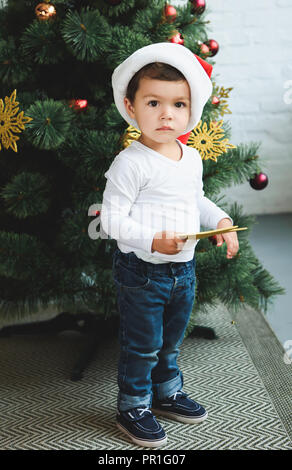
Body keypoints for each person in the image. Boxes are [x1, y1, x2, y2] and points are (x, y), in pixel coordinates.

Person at [100, 42, 239, 448]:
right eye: (154, 102)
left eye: (178, 104)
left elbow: (195, 200)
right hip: (142, 273)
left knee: (171, 340)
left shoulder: (190, 157)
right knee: (142, 344)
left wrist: (222, 222)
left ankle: (166, 392)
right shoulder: (131, 163)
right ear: (131, 106)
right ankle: (133, 405)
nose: (166, 114)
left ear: (190, 110)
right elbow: (111, 220)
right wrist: (152, 240)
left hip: (184, 271)